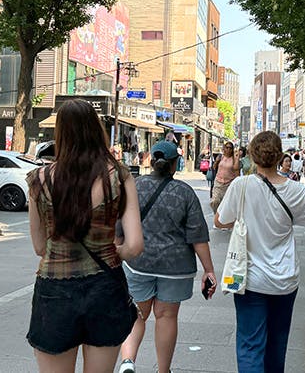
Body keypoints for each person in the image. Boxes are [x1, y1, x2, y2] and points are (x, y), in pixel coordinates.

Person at [26, 99, 144, 373]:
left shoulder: (38, 180)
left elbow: (39, 247)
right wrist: (115, 251)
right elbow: (135, 245)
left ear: (60, 133)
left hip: (54, 289)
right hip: (105, 288)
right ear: (96, 129)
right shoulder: (118, 176)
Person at [214, 131, 305, 373]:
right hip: (285, 280)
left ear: (252, 156)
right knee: (277, 345)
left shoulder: (241, 186)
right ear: (280, 156)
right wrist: (297, 216)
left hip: (250, 280)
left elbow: (220, 221)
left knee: (250, 345)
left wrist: (243, 215)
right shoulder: (296, 190)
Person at [119, 141, 216, 373]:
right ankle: (163, 370)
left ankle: (127, 362)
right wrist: (208, 270)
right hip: (175, 267)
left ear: (151, 161)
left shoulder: (134, 186)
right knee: (166, 317)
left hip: (138, 262)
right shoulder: (184, 192)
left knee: (137, 314)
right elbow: (197, 236)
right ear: (175, 165)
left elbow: (118, 225)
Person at [210, 141, 241, 215]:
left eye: (230, 148)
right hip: (218, 182)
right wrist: (216, 161)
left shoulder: (234, 159)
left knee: (226, 204)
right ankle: (217, 215)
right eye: (227, 147)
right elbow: (214, 167)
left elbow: (237, 173)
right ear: (224, 148)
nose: (228, 149)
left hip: (228, 184)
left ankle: (222, 219)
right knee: (215, 201)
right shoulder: (221, 157)